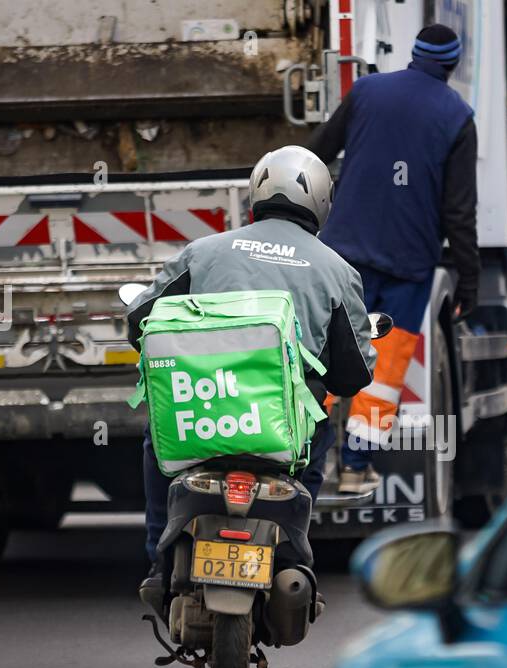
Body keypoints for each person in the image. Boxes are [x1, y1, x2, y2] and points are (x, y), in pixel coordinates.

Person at [127, 146, 375, 592]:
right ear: (321, 201)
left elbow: (140, 320)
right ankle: (292, 547)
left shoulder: (203, 251)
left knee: (154, 441)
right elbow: (353, 374)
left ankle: (158, 558)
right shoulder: (338, 270)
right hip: (284, 432)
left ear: (255, 193)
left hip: (199, 416)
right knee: (321, 436)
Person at [307, 23, 479, 494]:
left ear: (414, 54)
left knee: (320, 354)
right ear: (451, 64)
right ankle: (355, 467)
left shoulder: (366, 92)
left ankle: (304, 462)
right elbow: (459, 211)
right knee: (383, 370)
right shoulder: (458, 116)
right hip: (409, 265)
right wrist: (469, 281)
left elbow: (316, 155)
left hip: (343, 255)